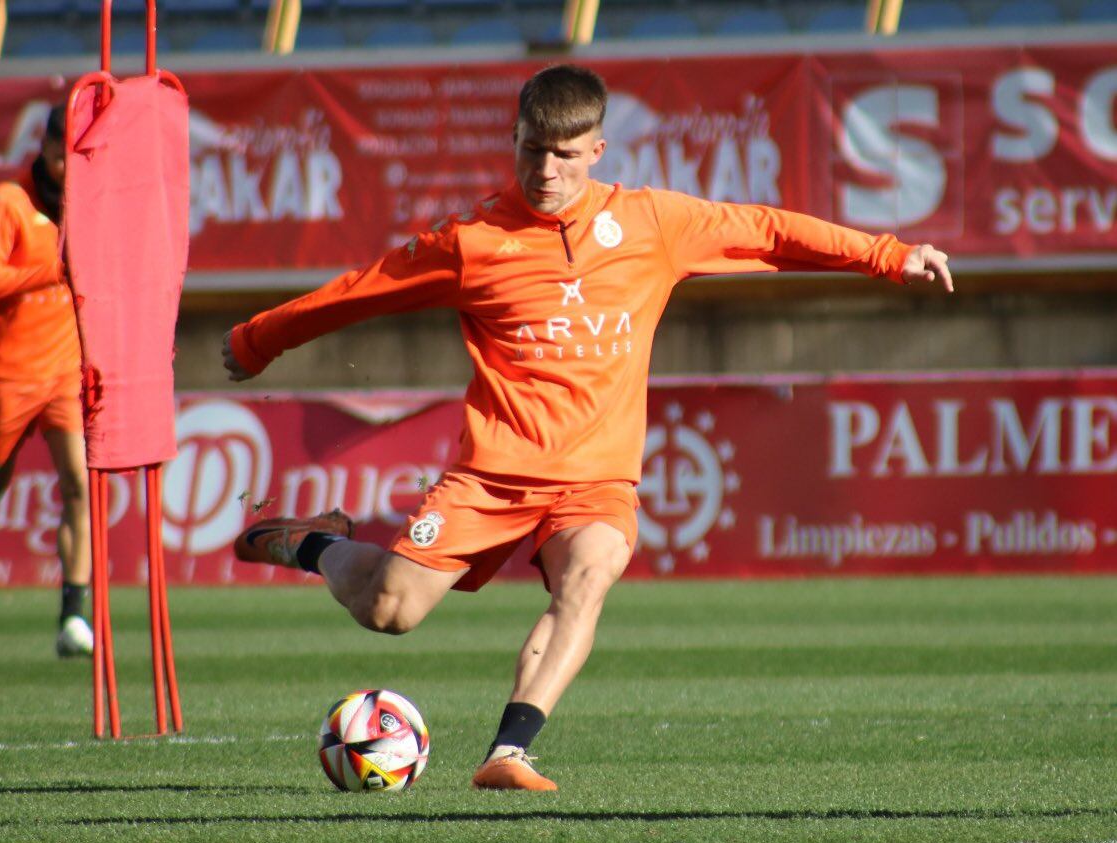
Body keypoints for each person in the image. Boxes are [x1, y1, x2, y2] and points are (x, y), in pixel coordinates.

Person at [223, 64, 953, 791]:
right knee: (390, 610)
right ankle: (312, 540)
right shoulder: (473, 241)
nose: (547, 170)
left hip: (595, 480)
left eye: (566, 155)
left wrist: (887, 256)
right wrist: (259, 340)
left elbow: (767, 230)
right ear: (514, 138)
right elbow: (362, 291)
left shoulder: (652, 224)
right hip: (492, 476)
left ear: (597, 152)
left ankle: (510, 751)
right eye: (533, 150)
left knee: (591, 571)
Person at [0, 104, 92, 658]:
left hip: (62, 376)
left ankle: (74, 614)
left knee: (79, 485)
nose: (64, 169)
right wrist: (51, 269)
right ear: (43, 149)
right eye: (55, 156)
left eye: (71, 157)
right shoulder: (11, 201)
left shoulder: (90, 202)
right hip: (5, 377)